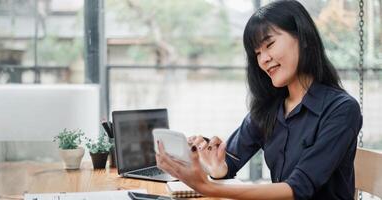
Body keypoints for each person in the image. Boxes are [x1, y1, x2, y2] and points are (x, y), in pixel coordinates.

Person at [155, 0, 363, 199]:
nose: (263, 59)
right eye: (257, 53)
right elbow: (230, 160)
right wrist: (217, 168)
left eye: (270, 44)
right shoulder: (270, 108)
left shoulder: (342, 109)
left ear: (304, 39)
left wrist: (207, 187)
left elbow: (299, 189)